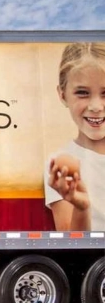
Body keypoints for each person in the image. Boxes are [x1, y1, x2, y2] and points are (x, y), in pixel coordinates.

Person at [46, 42, 105, 231]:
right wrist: (82, 207)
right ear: (62, 95)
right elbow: (72, 247)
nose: (96, 106)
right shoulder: (59, 164)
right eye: (82, 93)